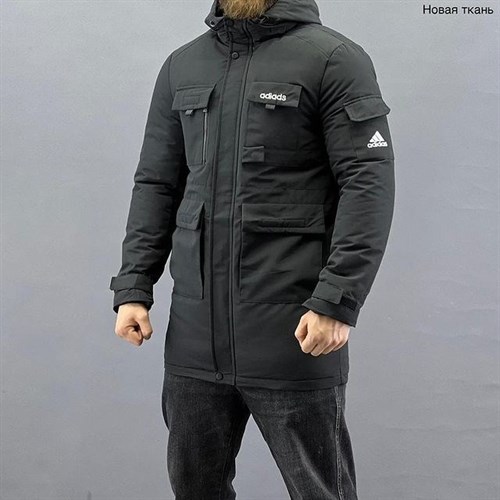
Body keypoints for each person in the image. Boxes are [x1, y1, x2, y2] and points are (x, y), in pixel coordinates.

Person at [109, 0, 395, 498]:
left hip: (295, 333)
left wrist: (337, 301)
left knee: (320, 491)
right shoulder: (183, 65)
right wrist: (134, 286)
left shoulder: (333, 59)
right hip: (195, 338)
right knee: (195, 490)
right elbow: (156, 183)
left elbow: (367, 185)